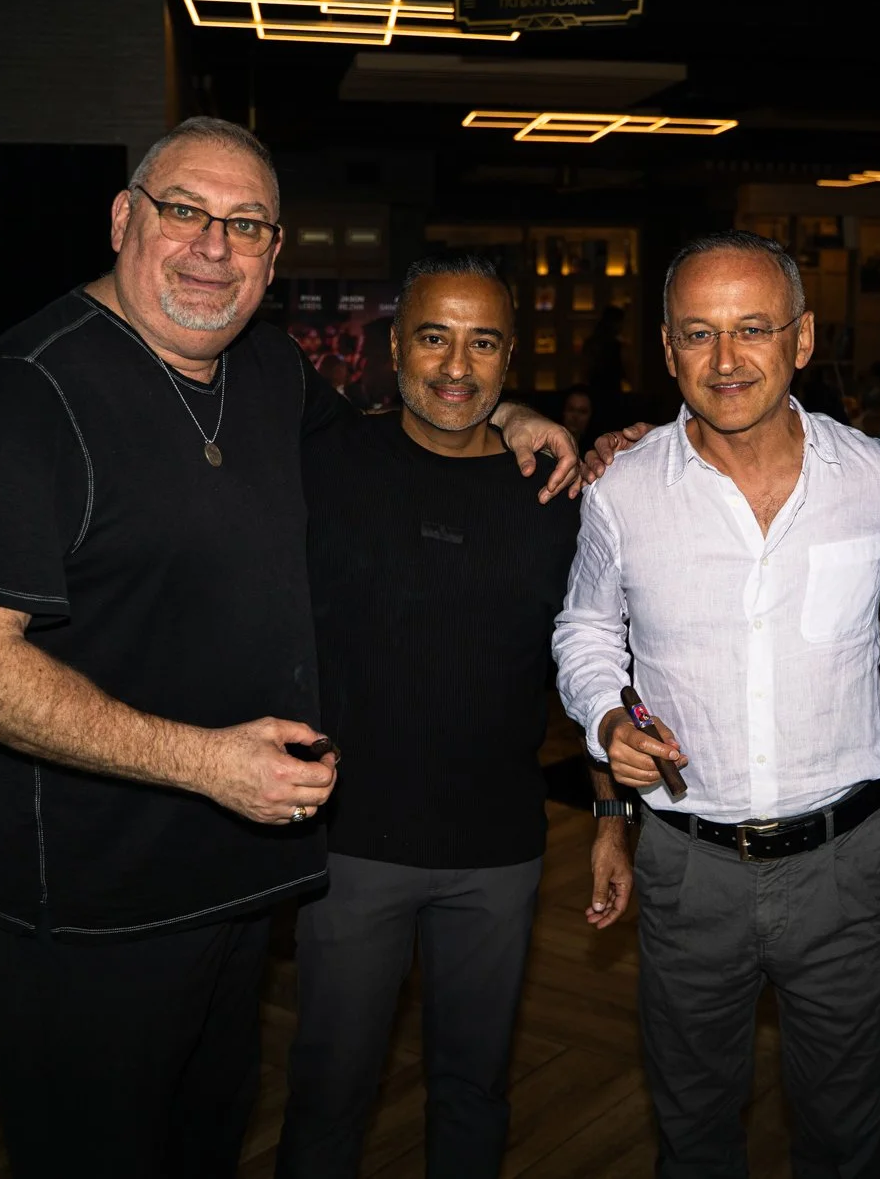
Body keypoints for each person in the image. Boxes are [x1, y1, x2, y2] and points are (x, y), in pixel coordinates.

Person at [0, 116, 577, 1179]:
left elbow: (415, 426)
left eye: (246, 224)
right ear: (124, 218)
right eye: (185, 211)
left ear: (274, 256)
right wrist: (205, 762)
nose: (213, 247)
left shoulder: (267, 371)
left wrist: (515, 416)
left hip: (235, 884)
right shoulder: (24, 393)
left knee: (205, 1143)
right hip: (94, 906)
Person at [554, 230, 880, 1178]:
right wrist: (607, 718)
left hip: (847, 864)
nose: (725, 359)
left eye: (753, 328)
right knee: (694, 1128)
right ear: (668, 349)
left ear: (802, 339)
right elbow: (585, 629)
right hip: (689, 867)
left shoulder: (876, 478)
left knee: (847, 1136)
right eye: (698, 333)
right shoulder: (623, 490)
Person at [277, 255, 608, 1176]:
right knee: (328, 1093)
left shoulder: (556, 495)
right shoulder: (324, 461)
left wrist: (611, 814)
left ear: (511, 356)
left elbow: (594, 658)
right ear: (395, 346)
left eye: (483, 342)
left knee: (475, 1092)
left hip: (498, 851)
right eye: (434, 336)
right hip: (350, 843)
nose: (457, 365)